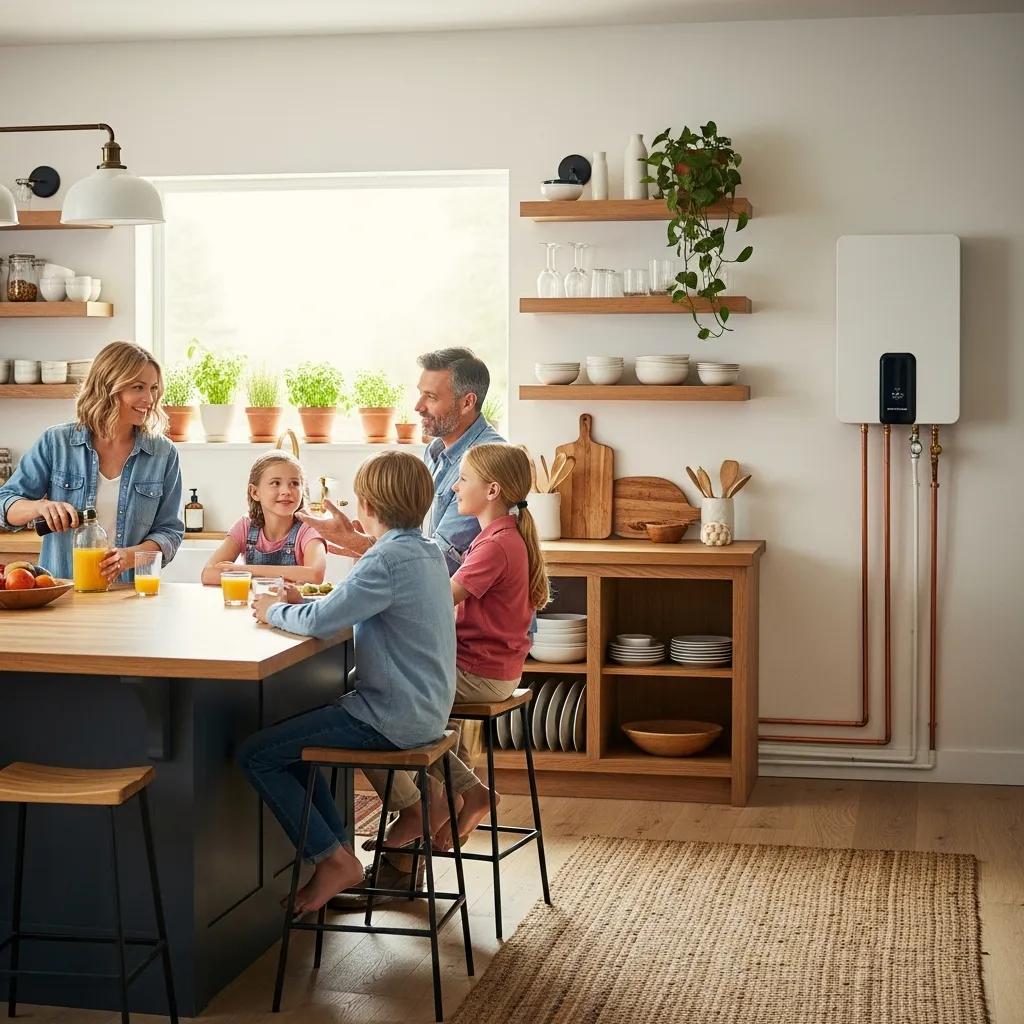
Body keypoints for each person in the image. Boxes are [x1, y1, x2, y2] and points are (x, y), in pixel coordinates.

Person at [240, 451, 456, 915]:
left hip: (389, 717)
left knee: (257, 754)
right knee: (296, 749)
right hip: (426, 710)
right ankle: (338, 858)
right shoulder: (425, 550)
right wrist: (308, 599)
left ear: (367, 507)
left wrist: (271, 610)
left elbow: (322, 620)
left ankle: (335, 860)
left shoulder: (386, 559)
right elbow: (353, 601)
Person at [363, 443, 550, 852]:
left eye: (463, 479)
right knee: (398, 702)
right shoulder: (503, 536)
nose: (453, 489)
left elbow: (438, 598)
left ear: (493, 491)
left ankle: (423, 807)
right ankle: (465, 794)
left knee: (382, 707)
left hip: (479, 674)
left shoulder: (494, 545)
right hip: (492, 671)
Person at [0, 341, 183, 583]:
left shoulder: (163, 453)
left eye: (153, 388)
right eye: (138, 387)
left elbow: (169, 531)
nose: (149, 399)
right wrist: (40, 507)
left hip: (128, 596)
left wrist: (130, 556)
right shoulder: (57, 443)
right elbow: (5, 503)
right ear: (108, 387)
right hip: (63, 593)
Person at [200, 451, 326, 586]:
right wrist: (268, 581)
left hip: (292, 606)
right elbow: (208, 574)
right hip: (253, 605)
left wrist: (242, 571)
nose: (286, 491)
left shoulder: (309, 528)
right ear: (254, 492)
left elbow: (315, 574)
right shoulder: (245, 526)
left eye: (294, 483)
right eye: (275, 483)